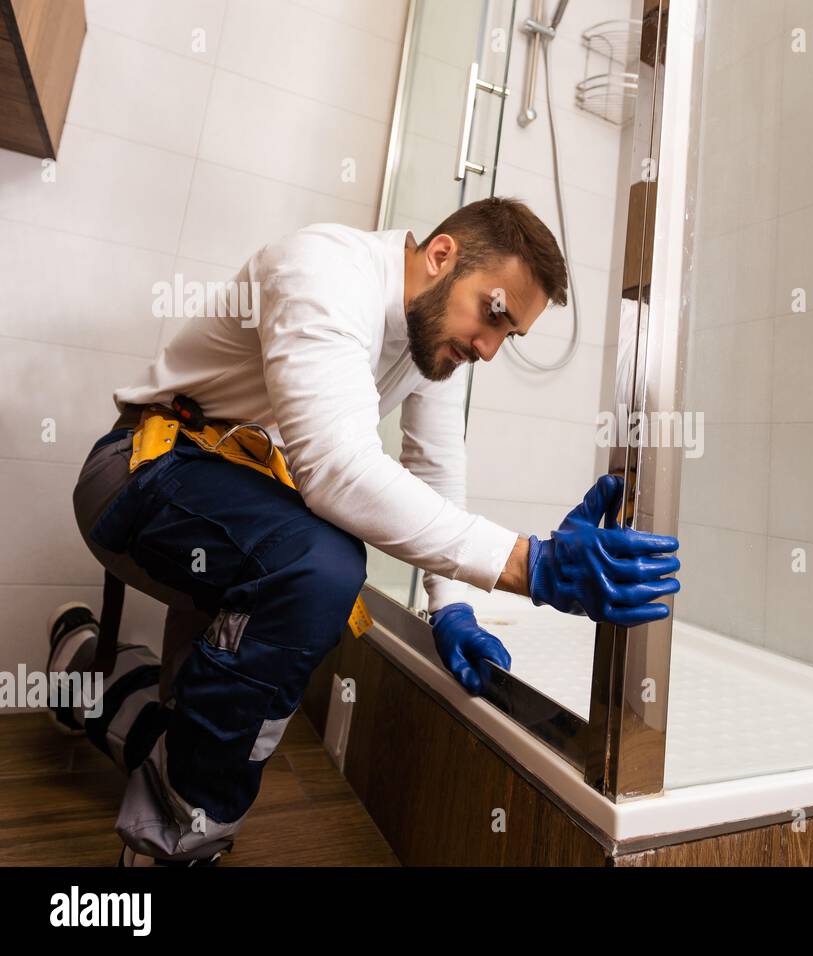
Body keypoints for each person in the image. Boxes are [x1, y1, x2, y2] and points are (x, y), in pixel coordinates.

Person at [47, 197, 681, 866]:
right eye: (493, 315)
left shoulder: (426, 341)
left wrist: (452, 605)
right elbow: (336, 472)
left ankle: (79, 670)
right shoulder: (322, 270)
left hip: (230, 516)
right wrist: (530, 564)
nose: (489, 349)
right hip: (136, 474)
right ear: (440, 256)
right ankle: (179, 837)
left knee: (204, 727)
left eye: (510, 336)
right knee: (321, 565)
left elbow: (434, 464)